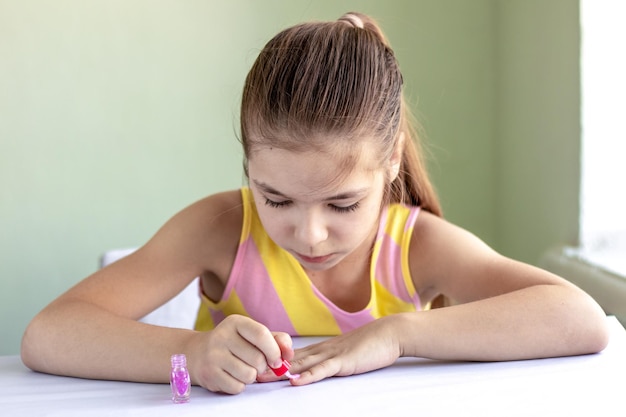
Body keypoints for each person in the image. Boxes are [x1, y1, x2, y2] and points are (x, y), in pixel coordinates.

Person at [21, 11, 609, 395]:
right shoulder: (218, 229)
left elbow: (579, 318)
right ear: (248, 165)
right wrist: (191, 352)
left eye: (344, 205)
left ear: (391, 166)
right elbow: (50, 333)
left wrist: (399, 335)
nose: (310, 235)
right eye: (274, 197)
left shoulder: (418, 246)